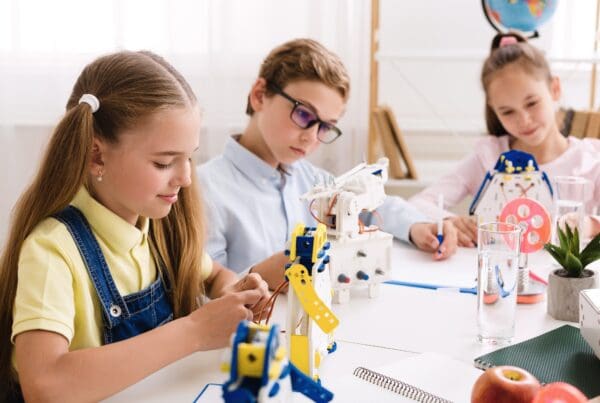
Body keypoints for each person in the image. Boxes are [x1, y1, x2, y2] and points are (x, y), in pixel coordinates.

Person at [0, 51, 269, 402]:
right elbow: (45, 384)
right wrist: (195, 331)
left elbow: (213, 274)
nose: (186, 178)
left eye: (189, 157)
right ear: (97, 155)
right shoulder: (52, 249)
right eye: (164, 162)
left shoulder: (156, 225)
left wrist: (233, 290)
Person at [198, 38, 457, 289]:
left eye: (325, 126)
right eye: (303, 114)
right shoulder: (204, 191)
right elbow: (206, 297)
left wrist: (417, 226)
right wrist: (268, 274)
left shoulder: (311, 179)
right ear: (259, 95)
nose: (311, 136)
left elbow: (370, 205)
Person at [410, 32, 600, 247]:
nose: (524, 120)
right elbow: (419, 202)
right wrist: (448, 220)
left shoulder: (589, 160)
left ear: (554, 89)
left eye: (531, 103)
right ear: (494, 110)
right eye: (507, 112)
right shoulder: (489, 158)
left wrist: (591, 224)